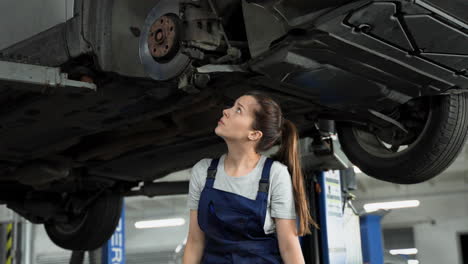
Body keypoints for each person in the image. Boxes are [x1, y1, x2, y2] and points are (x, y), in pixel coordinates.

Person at [183, 90, 318, 263]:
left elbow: (289, 247)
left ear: (254, 134)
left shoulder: (275, 174)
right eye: (232, 106)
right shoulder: (203, 171)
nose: (226, 111)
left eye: (238, 110)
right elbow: (195, 241)